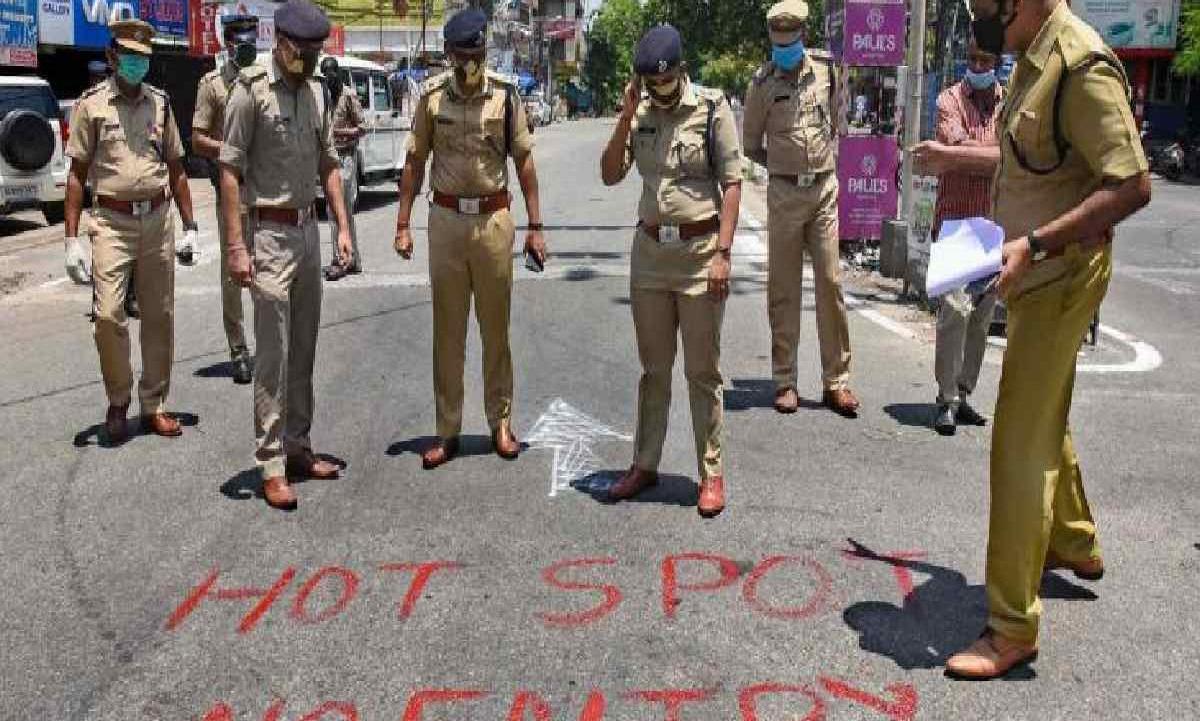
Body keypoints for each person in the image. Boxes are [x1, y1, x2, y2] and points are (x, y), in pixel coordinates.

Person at [917, 0, 1151, 679]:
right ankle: (1074, 541)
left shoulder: (1079, 65)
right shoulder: (1032, 55)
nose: (978, 17)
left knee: (1019, 441)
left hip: (1059, 275)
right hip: (1028, 271)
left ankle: (1012, 627)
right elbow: (1025, 163)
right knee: (1046, 407)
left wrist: (1038, 242)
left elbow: (1132, 184)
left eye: (984, 5)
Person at [392, 9, 547, 471]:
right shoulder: (431, 98)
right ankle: (448, 430)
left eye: (477, 53)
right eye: (463, 55)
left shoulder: (506, 96)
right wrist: (402, 223)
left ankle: (501, 423)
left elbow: (524, 162)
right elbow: (414, 162)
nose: (471, 62)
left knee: (495, 330)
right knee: (448, 332)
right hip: (445, 222)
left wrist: (536, 227)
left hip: (493, 221)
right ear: (449, 54)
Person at [599, 24, 743, 518]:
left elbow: (733, 184)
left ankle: (711, 473)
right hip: (650, 258)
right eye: (650, 83)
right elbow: (609, 173)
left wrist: (724, 253)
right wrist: (625, 116)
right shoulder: (639, 112)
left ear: (681, 71)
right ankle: (645, 464)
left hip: (700, 254)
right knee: (654, 370)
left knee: (702, 371)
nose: (659, 90)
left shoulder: (712, 108)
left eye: (665, 80)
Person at [219, 0, 354, 511]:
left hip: (307, 232)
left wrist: (342, 226)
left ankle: (298, 445)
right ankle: (271, 462)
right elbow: (229, 170)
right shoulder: (249, 91)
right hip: (268, 237)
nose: (311, 61)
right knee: (272, 357)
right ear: (280, 44)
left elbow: (329, 162)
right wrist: (236, 247)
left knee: (303, 350)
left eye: (317, 53)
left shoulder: (316, 90)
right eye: (304, 52)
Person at [63, 19, 198, 445]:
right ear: (112, 56)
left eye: (143, 57)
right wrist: (70, 240)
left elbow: (176, 168)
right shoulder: (91, 106)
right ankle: (118, 399)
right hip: (111, 222)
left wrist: (191, 225)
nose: (137, 64)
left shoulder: (162, 104)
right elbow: (76, 174)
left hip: (158, 219)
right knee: (107, 315)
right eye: (129, 56)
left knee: (159, 315)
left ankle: (154, 403)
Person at [742, 0, 861, 418]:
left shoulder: (827, 70)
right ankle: (785, 380)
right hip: (784, 193)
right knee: (784, 288)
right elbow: (751, 145)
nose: (784, 51)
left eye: (789, 43)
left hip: (824, 189)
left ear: (802, 37)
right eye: (778, 45)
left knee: (830, 281)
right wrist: (784, 168)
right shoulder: (761, 83)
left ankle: (837, 382)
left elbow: (838, 122)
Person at [928, 41, 1003, 435]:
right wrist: (993, 156)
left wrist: (972, 156)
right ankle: (945, 399)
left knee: (981, 319)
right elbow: (954, 148)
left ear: (997, 61)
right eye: (972, 58)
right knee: (954, 315)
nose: (977, 65)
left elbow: (1015, 156)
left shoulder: (1009, 104)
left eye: (985, 59)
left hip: (992, 227)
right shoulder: (949, 100)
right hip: (955, 225)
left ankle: (963, 393)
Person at [191, 14, 260, 385]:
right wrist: (231, 150)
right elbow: (198, 139)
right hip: (232, 191)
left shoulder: (265, 79)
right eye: (238, 38)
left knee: (269, 269)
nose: (246, 44)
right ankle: (239, 350)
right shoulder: (212, 85)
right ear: (227, 42)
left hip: (267, 191)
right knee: (233, 274)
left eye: (250, 36)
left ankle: (269, 344)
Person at [320, 55, 368, 281]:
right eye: (325, 73)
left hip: (346, 157)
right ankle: (348, 258)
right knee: (333, 210)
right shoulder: (323, 96)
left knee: (342, 210)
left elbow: (362, 127)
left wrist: (339, 133)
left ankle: (344, 259)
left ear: (337, 72)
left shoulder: (348, 95)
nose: (328, 77)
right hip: (329, 159)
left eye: (331, 72)